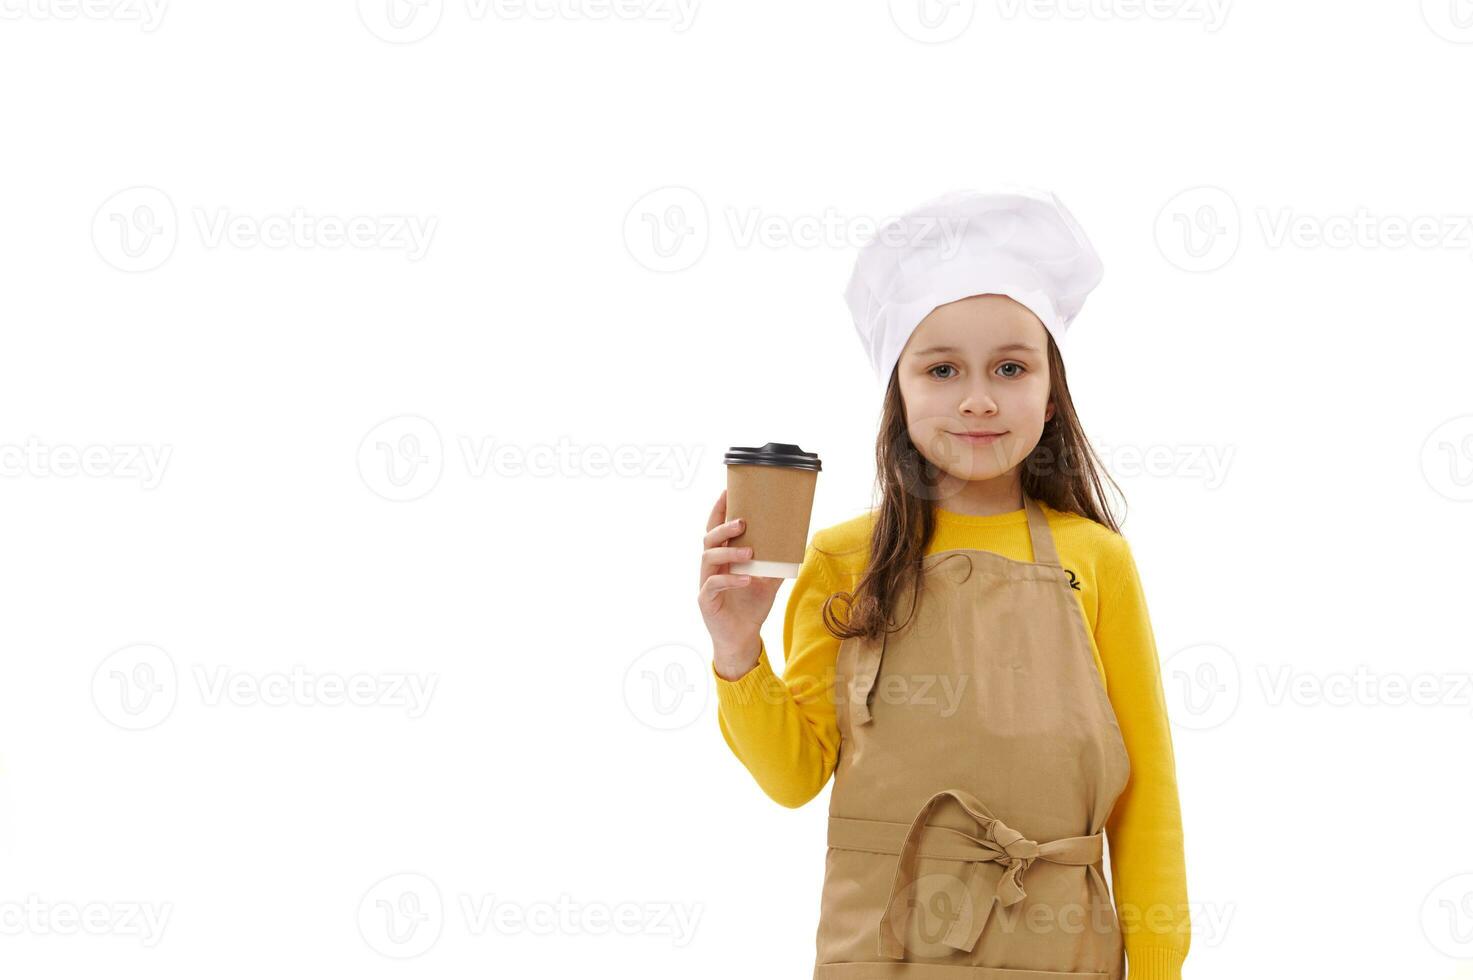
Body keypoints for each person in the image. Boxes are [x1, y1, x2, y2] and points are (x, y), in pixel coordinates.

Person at [697, 187, 1191, 979]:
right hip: (882, 944)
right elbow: (794, 778)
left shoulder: (1095, 557)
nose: (977, 398)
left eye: (1009, 367)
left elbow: (1147, 786)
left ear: (1050, 392)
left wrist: (1161, 960)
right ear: (898, 389)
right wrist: (736, 648)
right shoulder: (840, 559)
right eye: (940, 369)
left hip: (1059, 945)